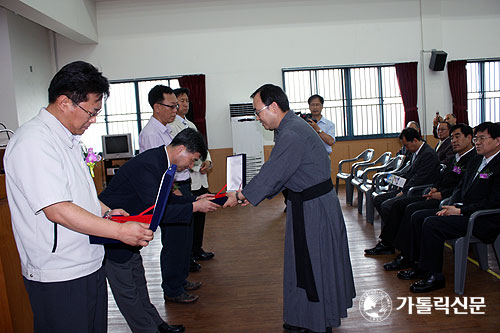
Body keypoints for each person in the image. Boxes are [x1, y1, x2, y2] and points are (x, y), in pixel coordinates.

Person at [3, 61, 153, 332]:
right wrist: (117, 233)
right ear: (64, 102)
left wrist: (106, 212)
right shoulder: (34, 142)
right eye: (92, 111)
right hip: (59, 272)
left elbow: (79, 195)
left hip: (87, 262)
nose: (94, 119)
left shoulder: (68, 139)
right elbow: (58, 209)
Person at [224, 84, 355, 332]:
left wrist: (242, 195)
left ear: (273, 107)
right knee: (300, 263)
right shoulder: (289, 127)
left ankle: (318, 320)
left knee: (314, 265)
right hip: (304, 206)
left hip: (314, 209)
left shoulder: (292, 132)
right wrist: (247, 194)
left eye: (258, 111)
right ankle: (301, 316)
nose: (257, 118)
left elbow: (273, 172)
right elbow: (281, 173)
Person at [99, 128, 219, 332]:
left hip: (129, 232)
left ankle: (157, 324)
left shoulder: (160, 161)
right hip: (113, 233)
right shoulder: (149, 165)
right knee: (128, 292)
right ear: (181, 149)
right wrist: (193, 207)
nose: (191, 166)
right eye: (192, 160)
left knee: (139, 284)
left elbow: (163, 198)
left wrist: (194, 199)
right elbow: (156, 212)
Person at [407, 122, 500, 293]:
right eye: (477, 139)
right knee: (419, 216)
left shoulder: (498, 165)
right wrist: (452, 204)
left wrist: (460, 211)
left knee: (431, 224)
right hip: (464, 210)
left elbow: (493, 202)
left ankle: (435, 276)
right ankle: (420, 265)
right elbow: (460, 187)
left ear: (497, 141)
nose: (477, 142)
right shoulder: (476, 161)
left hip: (482, 218)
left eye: (482, 139)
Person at [382, 124, 476, 272]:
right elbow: (442, 177)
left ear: (469, 138)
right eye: (452, 138)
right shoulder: (455, 157)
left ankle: (409, 256)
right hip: (438, 195)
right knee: (401, 206)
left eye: (457, 137)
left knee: (413, 211)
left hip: (449, 201)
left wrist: (442, 195)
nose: (454, 141)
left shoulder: (473, 160)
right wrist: (435, 188)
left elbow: (461, 187)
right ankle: (402, 251)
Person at [139, 86, 201, 301]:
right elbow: (158, 170)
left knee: (184, 240)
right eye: (171, 105)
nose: (176, 109)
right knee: (174, 242)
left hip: (181, 187)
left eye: (177, 105)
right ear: (157, 107)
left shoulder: (166, 130)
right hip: (172, 192)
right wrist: (175, 191)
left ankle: (181, 279)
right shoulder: (151, 133)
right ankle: (173, 290)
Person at [365, 127, 440, 256]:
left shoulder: (427, 154)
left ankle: (389, 242)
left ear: (415, 140)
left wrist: (403, 191)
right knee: (378, 199)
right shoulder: (415, 153)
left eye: (406, 145)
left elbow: (419, 179)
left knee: (388, 205)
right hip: (408, 187)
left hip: (418, 191)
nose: (405, 148)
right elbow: (407, 173)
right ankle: (394, 236)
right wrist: (390, 179)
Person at [171, 88, 215, 263]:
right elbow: (180, 155)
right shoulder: (171, 126)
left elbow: (203, 148)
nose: (185, 104)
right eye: (181, 100)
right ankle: (188, 255)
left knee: (200, 217)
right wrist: (196, 164)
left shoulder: (192, 124)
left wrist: (208, 162)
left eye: (187, 101)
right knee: (189, 218)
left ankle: (197, 249)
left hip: (200, 177)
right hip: (186, 178)